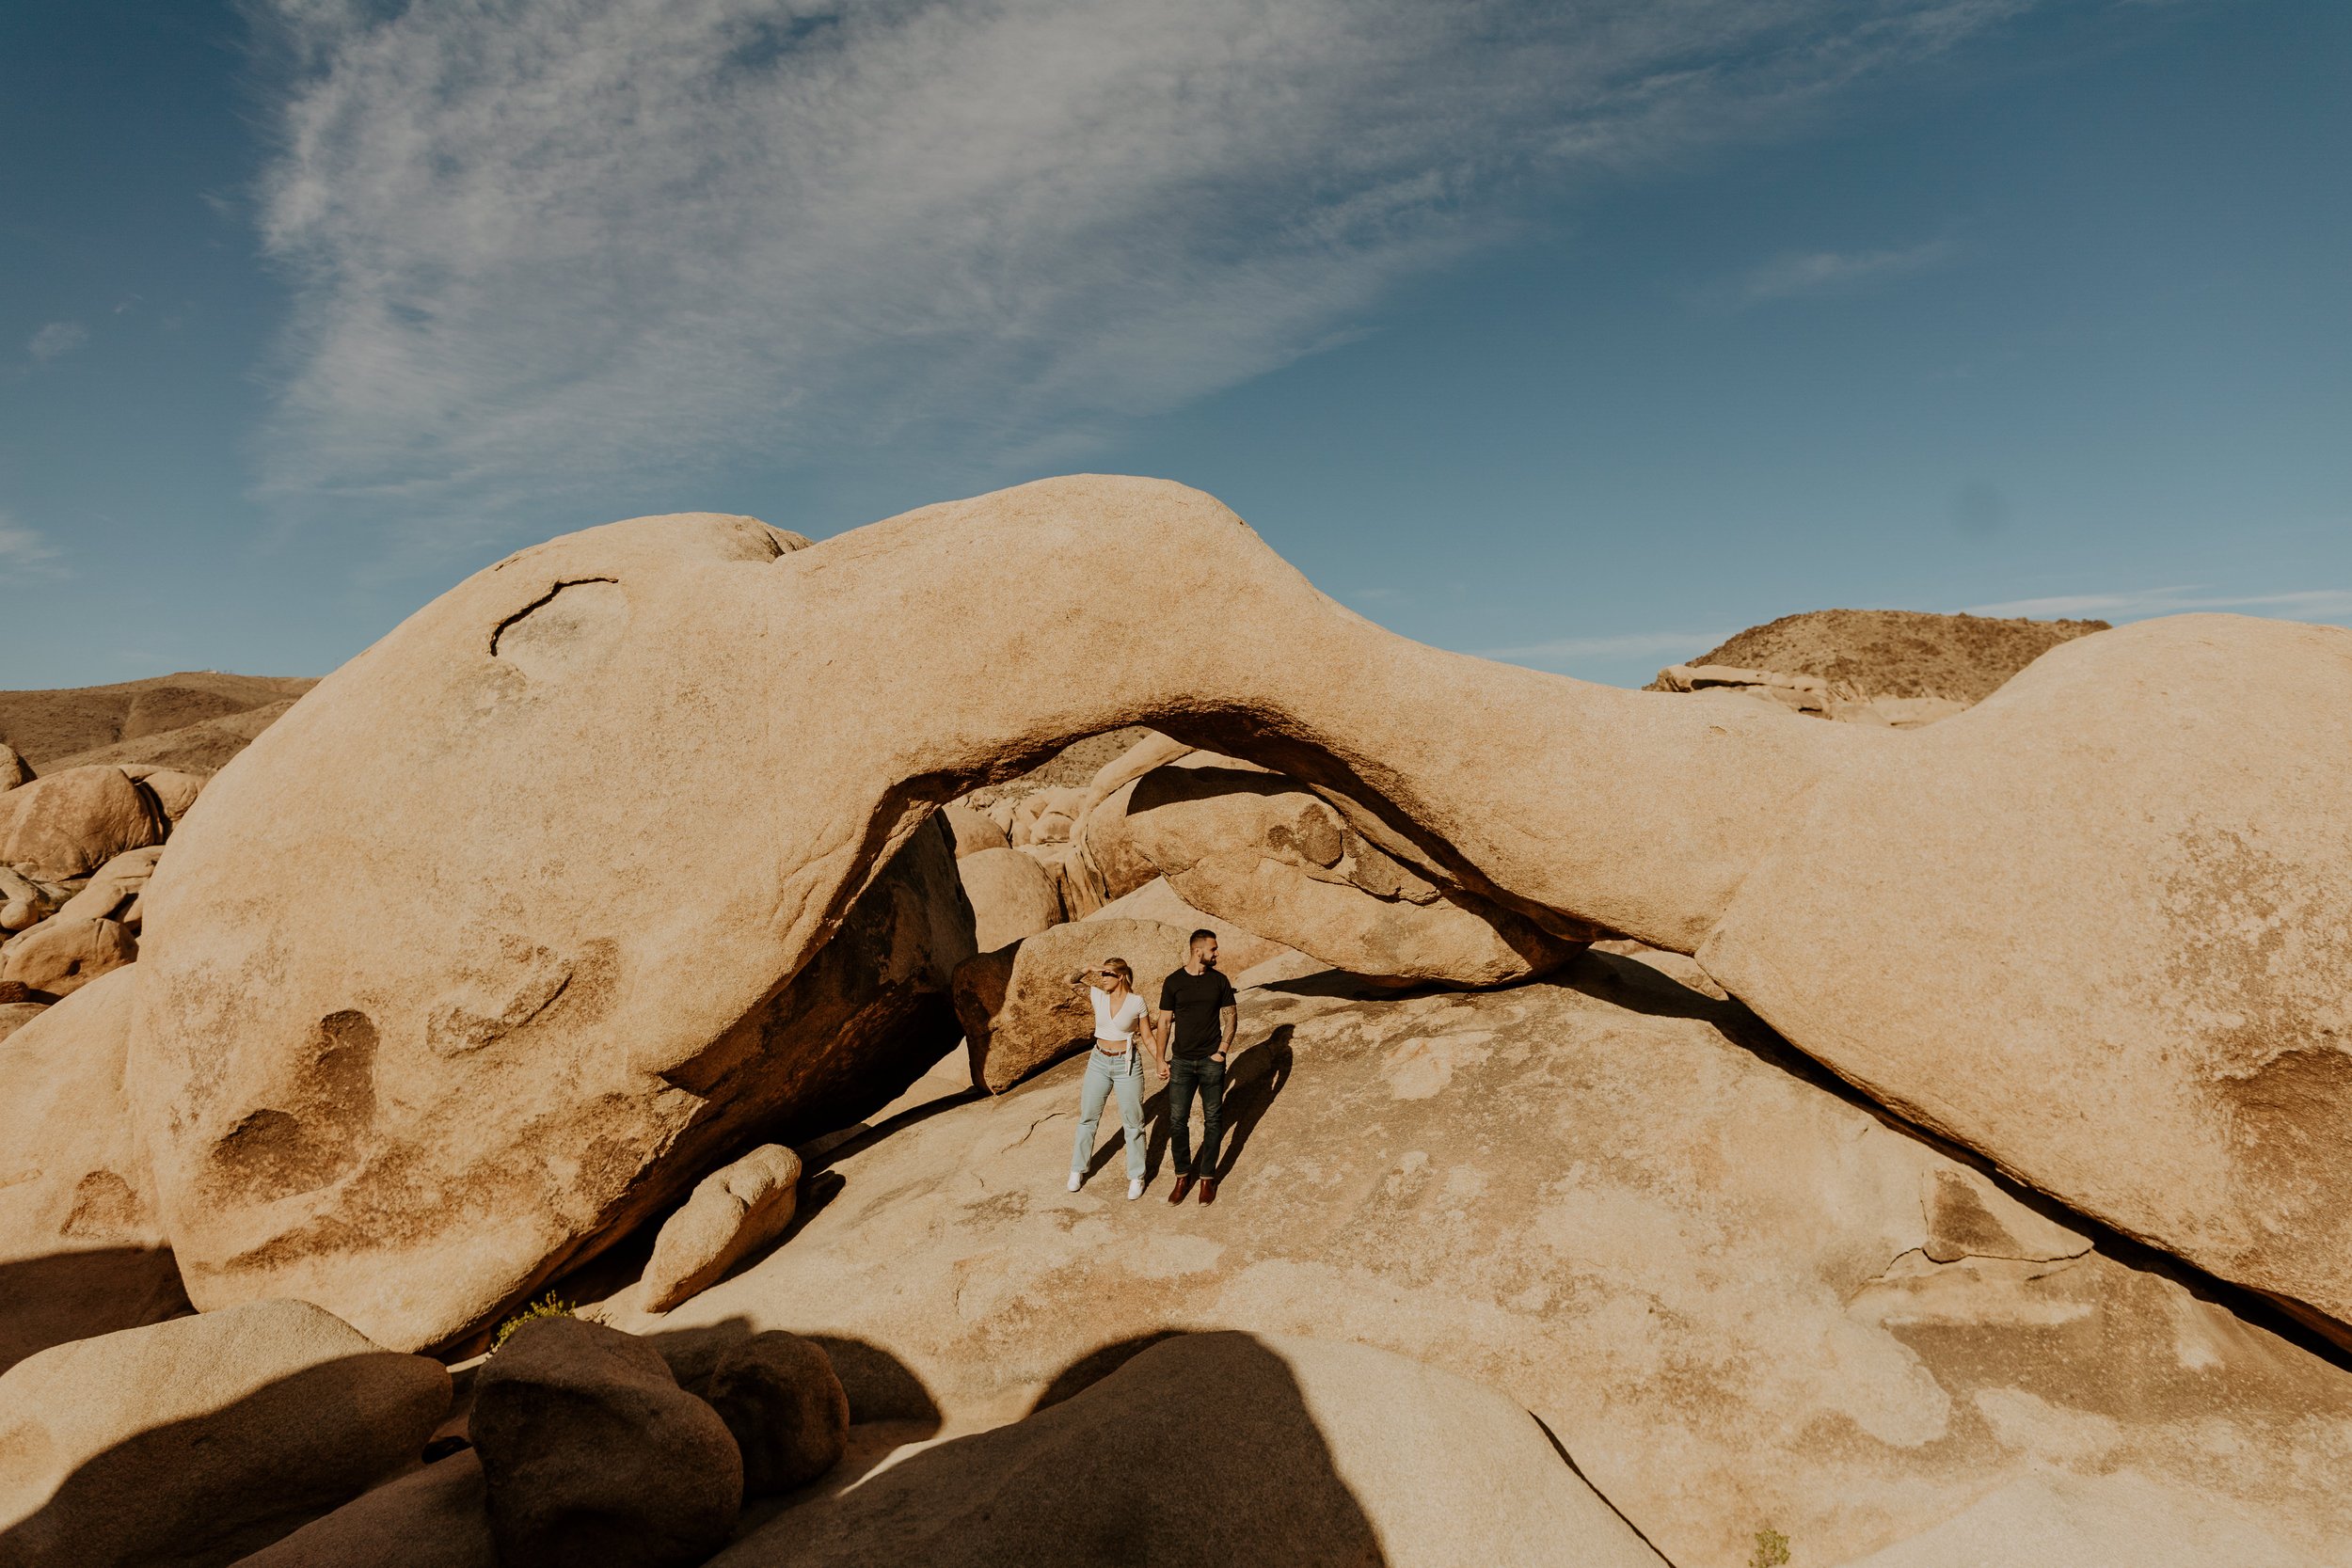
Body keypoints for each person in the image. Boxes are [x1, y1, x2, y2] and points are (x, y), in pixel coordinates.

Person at [1065, 957, 1162, 1200]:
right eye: (1102, 974)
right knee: (1088, 1117)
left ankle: (1136, 1176)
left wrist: (1161, 1060)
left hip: (1126, 1064)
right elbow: (1068, 980)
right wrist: (1087, 967)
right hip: (1099, 1061)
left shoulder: (1137, 1002)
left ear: (1120, 976)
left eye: (1107, 974)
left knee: (1134, 1123)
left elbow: (1148, 1037)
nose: (1102, 978)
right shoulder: (1098, 996)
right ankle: (1078, 1169)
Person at [1155, 928, 1237, 1204]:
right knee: (1177, 1121)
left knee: (1213, 1120)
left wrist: (1221, 1052)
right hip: (1180, 1062)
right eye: (1213, 949)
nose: (1217, 953)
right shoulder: (1174, 982)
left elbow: (1231, 1018)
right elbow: (1164, 1022)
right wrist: (1159, 1058)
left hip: (1210, 1061)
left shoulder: (1220, 981)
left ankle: (1207, 1179)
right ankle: (1183, 1176)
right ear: (1197, 951)